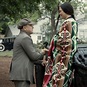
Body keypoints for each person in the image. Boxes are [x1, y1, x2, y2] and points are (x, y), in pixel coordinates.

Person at [43, 2, 78, 87]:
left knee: (57, 82)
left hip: (63, 58)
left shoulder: (68, 23)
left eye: (60, 11)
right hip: (67, 57)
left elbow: (64, 43)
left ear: (66, 11)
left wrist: (54, 41)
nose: (59, 13)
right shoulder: (73, 22)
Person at [9, 18, 48, 87]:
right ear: (24, 27)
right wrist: (43, 52)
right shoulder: (25, 38)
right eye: (30, 25)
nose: (32, 27)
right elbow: (34, 56)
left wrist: (40, 62)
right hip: (22, 73)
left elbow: (27, 57)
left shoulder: (21, 37)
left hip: (19, 73)